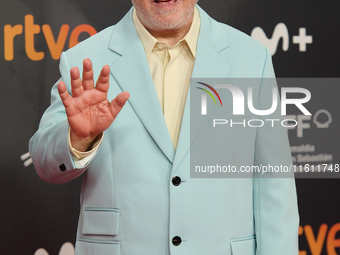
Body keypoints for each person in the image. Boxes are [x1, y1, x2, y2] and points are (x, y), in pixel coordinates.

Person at [29, 0, 299, 254]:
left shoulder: (250, 57)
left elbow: (274, 186)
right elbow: (44, 162)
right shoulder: (85, 59)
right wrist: (77, 139)